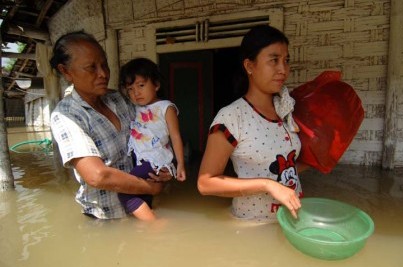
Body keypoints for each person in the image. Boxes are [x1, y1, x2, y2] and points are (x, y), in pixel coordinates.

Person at [49, 31, 171, 220]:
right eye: (92, 67)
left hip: (143, 209)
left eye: (104, 64)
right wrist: (152, 187)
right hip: (106, 219)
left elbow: (154, 133)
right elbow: (97, 176)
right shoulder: (66, 115)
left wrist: (165, 169)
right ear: (66, 71)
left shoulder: (119, 99)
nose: (103, 74)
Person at [197, 25, 308, 222]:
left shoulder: (286, 110)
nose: (283, 69)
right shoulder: (232, 117)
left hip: (290, 223)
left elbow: (285, 168)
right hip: (251, 229)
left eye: (286, 60)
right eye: (274, 60)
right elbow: (205, 183)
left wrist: (323, 157)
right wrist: (267, 185)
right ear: (249, 66)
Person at [117, 57, 186, 221]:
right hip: (140, 159)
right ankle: (147, 233)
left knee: (124, 191)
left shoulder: (166, 107)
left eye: (141, 85)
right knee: (143, 197)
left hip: (155, 160)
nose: (136, 93)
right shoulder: (135, 107)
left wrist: (180, 164)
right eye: (130, 89)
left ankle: (155, 225)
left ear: (156, 84)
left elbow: (175, 137)